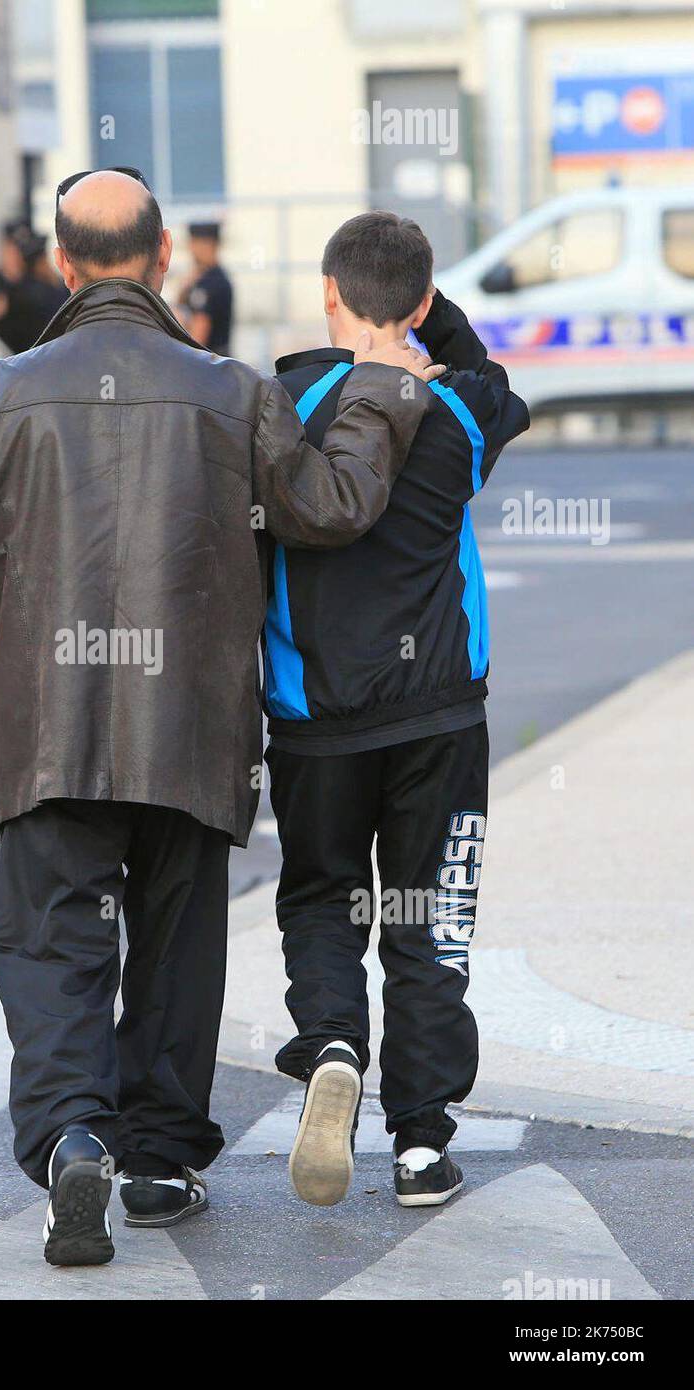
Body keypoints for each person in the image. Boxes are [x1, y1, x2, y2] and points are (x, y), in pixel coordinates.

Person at [0, 169, 443, 1266]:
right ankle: (155, 1158)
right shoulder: (230, 389)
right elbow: (328, 507)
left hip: (46, 726)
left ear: (61, 263)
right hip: (191, 726)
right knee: (175, 947)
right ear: (160, 262)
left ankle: (69, 1139)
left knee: (51, 944)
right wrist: (382, 390)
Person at [263, 212, 529, 1211]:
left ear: (327, 297)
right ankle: (420, 1143)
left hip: (314, 716)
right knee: (430, 921)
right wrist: (428, 318)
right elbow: (484, 370)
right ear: (421, 303)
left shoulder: (291, 402)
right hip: (441, 719)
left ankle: (332, 1039)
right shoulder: (462, 411)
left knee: (323, 896)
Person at [0, 219, 66, 354]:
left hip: (32, 363)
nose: (16, 254)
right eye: (12, 248)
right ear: (3, 249)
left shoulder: (38, 285)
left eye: (21, 248)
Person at [176, 220, 233, 354]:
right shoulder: (205, 277)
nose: (191, 249)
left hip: (208, 364)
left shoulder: (211, 283)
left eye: (194, 243)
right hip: (215, 364)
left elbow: (198, 340)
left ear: (208, 244)